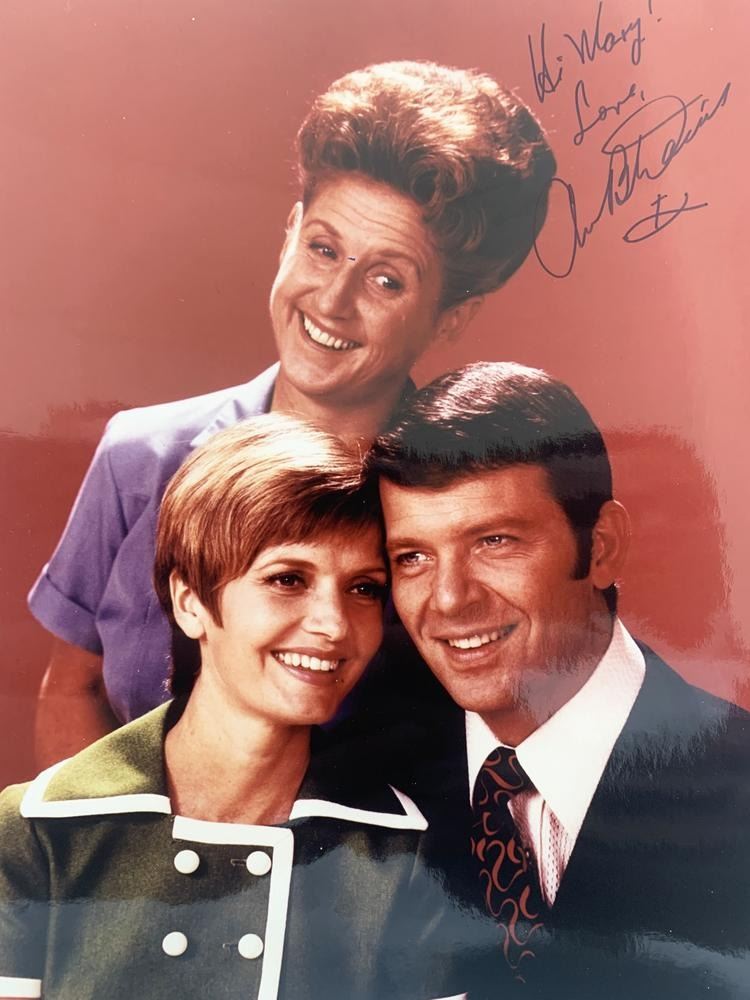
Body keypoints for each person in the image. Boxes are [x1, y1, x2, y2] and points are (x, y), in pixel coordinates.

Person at [28, 60, 556, 767]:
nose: (332, 302)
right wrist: (107, 836)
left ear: (450, 317)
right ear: (290, 233)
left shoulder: (464, 505)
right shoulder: (141, 458)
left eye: (386, 280)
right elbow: (73, 686)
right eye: (324, 249)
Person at [0, 414, 469, 1000]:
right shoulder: (35, 834)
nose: (334, 624)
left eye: (363, 588)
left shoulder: (408, 852)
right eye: (288, 579)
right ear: (190, 601)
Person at [366, 362, 750, 1000]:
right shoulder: (366, 783)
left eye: (494, 541)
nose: (449, 600)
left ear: (601, 548)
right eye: (414, 556)